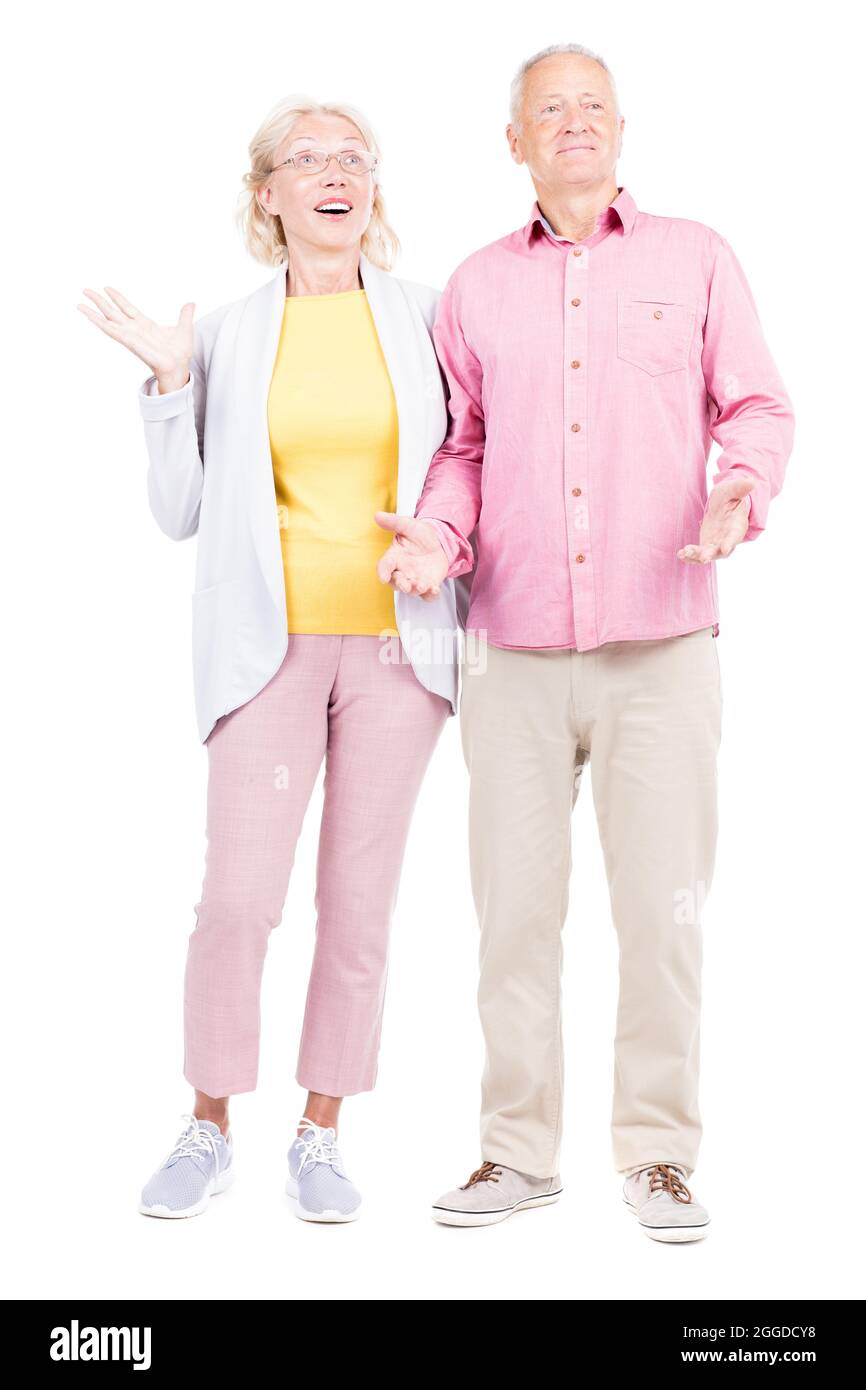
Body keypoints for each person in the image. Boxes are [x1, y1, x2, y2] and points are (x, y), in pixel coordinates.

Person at [377, 44, 795, 1239]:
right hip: (506, 649)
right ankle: (515, 1153)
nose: (572, 123)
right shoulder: (470, 286)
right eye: (547, 109)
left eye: (591, 106)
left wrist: (739, 488)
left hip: (661, 644)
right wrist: (436, 540)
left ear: (621, 130)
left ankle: (657, 1155)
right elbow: (460, 447)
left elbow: (756, 403)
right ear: (513, 141)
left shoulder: (695, 257)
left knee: (661, 911)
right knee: (511, 915)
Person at [78, 95, 460, 1223]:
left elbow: (466, 466)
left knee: (358, 905)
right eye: (307, 159)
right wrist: (164, 383)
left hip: (401, 653)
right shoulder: (229, 332)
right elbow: (179, 509)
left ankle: (320, 1133)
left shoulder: (432, 319)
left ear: (372, 190)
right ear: (270, 195)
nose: (334, 173)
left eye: (354, 158)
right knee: (238, 901)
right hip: (264, 653)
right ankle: (208, 1122)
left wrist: (443, 540)